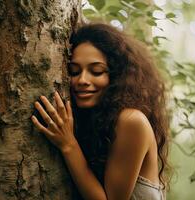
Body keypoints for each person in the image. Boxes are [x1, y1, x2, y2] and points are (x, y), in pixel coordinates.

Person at [31, 23, 170, 200]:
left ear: (117, 76)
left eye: (96, 71)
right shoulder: (95, 122)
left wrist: (68, 145)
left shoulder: (132, 121)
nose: (82, 80)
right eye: (74, 71)